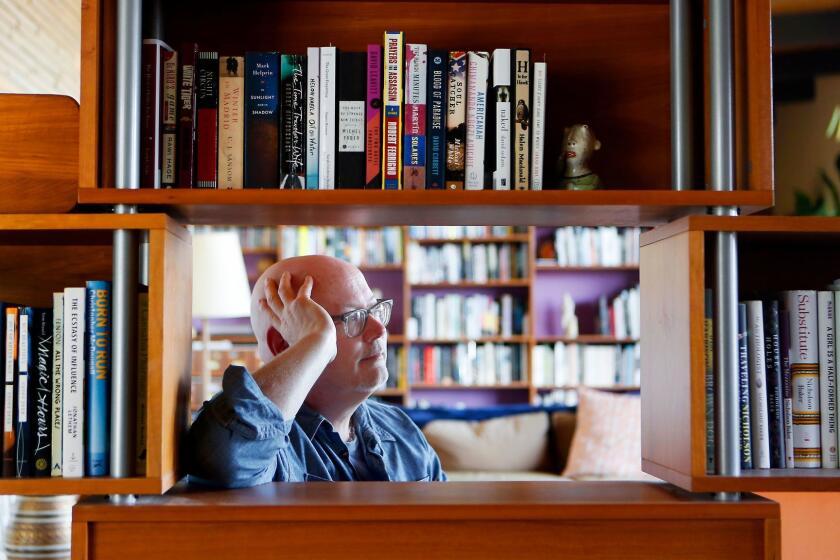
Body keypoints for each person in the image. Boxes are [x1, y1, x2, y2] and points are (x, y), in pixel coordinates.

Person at [187, 255, 446, 486]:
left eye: (375, 310)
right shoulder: (270, 450)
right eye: (354, 318)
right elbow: (220, 458)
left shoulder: (401, 429)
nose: (379, 330)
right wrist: (318, 341)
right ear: (283, 344)